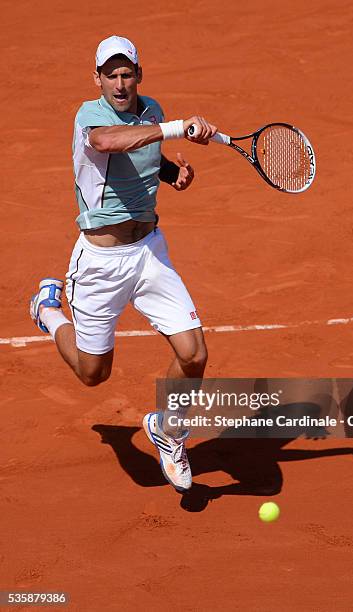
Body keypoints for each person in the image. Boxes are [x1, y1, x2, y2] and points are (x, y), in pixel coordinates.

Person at [29, 35, 217, 494]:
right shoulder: (89, 117)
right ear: (97, 79)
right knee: (94, 374)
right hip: (99, 262)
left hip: (150, 251)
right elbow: (109, 142)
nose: (119, 81)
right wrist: (173, 128)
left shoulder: (151, 109)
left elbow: (148, 157)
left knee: (194, 354)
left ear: (138, 74)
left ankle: (168, 431)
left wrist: (174, 174)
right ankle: (48, 311)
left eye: (126, 72)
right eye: (110, 74)